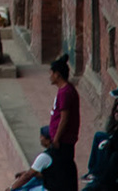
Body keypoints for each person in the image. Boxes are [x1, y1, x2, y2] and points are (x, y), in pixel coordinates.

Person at [83, 85, 118, 191]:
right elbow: (111, 127)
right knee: (99, 137)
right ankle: (94, 171)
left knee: (109, 148)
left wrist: (111, 141)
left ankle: (101, 178)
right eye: (117, 112)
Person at [47, 56, 80, 184]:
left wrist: (56, 139)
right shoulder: (65, 90)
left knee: (63, 172)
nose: (50, 76)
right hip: (62, 139)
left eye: (52, 73)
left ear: (58, 75)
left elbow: (64, 119)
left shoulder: (65, 93)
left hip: (63, 140)